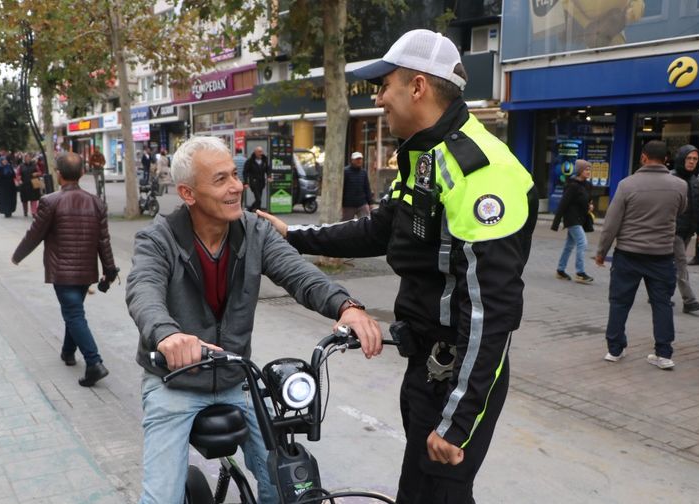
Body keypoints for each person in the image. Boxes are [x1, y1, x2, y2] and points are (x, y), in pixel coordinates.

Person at [258, 29, 536, 504]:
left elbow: (491, 313)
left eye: (384, 85)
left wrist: (459, 421)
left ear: (418, 87)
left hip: (456, 374)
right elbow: (379, 229)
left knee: (434, 494)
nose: (380, 97)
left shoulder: (480, 170)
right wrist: (295, 236)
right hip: (426, 363)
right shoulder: (425, 155)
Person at [126, 136, 382, 504]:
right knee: (162, 498)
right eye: (220, 180)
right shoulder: (158, 238)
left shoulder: (256, 232)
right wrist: (167, 336)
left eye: (235, 175)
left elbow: (299, 274)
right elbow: (143, 290)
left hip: (236, 377)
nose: (236, 187)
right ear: (188, 193)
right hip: (174, 382)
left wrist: (346, 307)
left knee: (285, 484)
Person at [12, 153, 118, 386]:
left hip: (62, 271)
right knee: (75, 310)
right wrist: (109, 270)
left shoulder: (50, 201)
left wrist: (17, 256)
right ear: (82, 173)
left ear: (58, 175)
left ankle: (94, 363)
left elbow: (35, 234)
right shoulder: (96, 202)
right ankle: (68, 353)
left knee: (73, 314)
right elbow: (104, 241)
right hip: (86, 272)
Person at [595, 140, 688, 369]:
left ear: (644, 157)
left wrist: (601, 252)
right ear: (665, 159)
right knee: (662, 304)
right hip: (662, 255)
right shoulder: (679, 185)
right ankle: (664, 354)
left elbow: (611, 223)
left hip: (628, 254)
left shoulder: (627, 185)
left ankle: (615, 350)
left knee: (619, 303)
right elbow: (681, 210)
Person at [670, 145, 699, 312]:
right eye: (689, 158)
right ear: (682, 158)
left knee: (671, 265)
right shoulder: (671, 178)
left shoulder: (693, 180)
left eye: (695, 159)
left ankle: (660, 293)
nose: (692, 162)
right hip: (673, 230)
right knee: (681, 263)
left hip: (687, 230)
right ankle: (689, 300)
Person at [551, 159, 594, 283]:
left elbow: (588, 200)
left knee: (569, 246)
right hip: (572, 219)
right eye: (586, 169)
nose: (588, 172)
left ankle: (560, 270)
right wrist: (556, 223)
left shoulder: (587, 185)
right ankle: (580, 273)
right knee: (582, 242)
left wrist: (590, 206)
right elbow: (563, 204)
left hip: (580, 219)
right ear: (580, 170)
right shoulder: (572, 186)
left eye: (589, 169)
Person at [342, 151, 374, 220]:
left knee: (366, 222)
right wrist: (341, 205)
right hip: (349, 205)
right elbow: (342, 189)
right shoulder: (345, 172)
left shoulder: (363, 172)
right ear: (352, 160)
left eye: (360, 159)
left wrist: (370, 203)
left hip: (362, 203)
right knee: (346, 224)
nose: (359, 161)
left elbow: (367, 188)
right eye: (357, 159)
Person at [243, 146, 271, 211]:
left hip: (261, 182)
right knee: (258, 199)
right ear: (255, 152)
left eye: (261, 151)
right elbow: (245, 172)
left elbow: (268, 169)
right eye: (259, 152)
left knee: (259, 199)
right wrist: (246, 182)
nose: (261, 153)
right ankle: (251, 210)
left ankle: (255, 211)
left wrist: (269, 176)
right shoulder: (250, 161)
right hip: (254, 182)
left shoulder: (264, 160)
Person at [18, 153, 44, 218]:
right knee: (24, 199)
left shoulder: (35, 165)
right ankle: (25, 211)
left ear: (30, 158)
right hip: (24, 184)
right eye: (26, 157)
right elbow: (18, 174)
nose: (27, 158)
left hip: (34, 184)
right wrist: (19, 180)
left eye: (29, 157)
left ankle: (34, 212)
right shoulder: (21, 166)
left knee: (34, 199)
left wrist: (37, 174)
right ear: (24, 158)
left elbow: (40, 173)